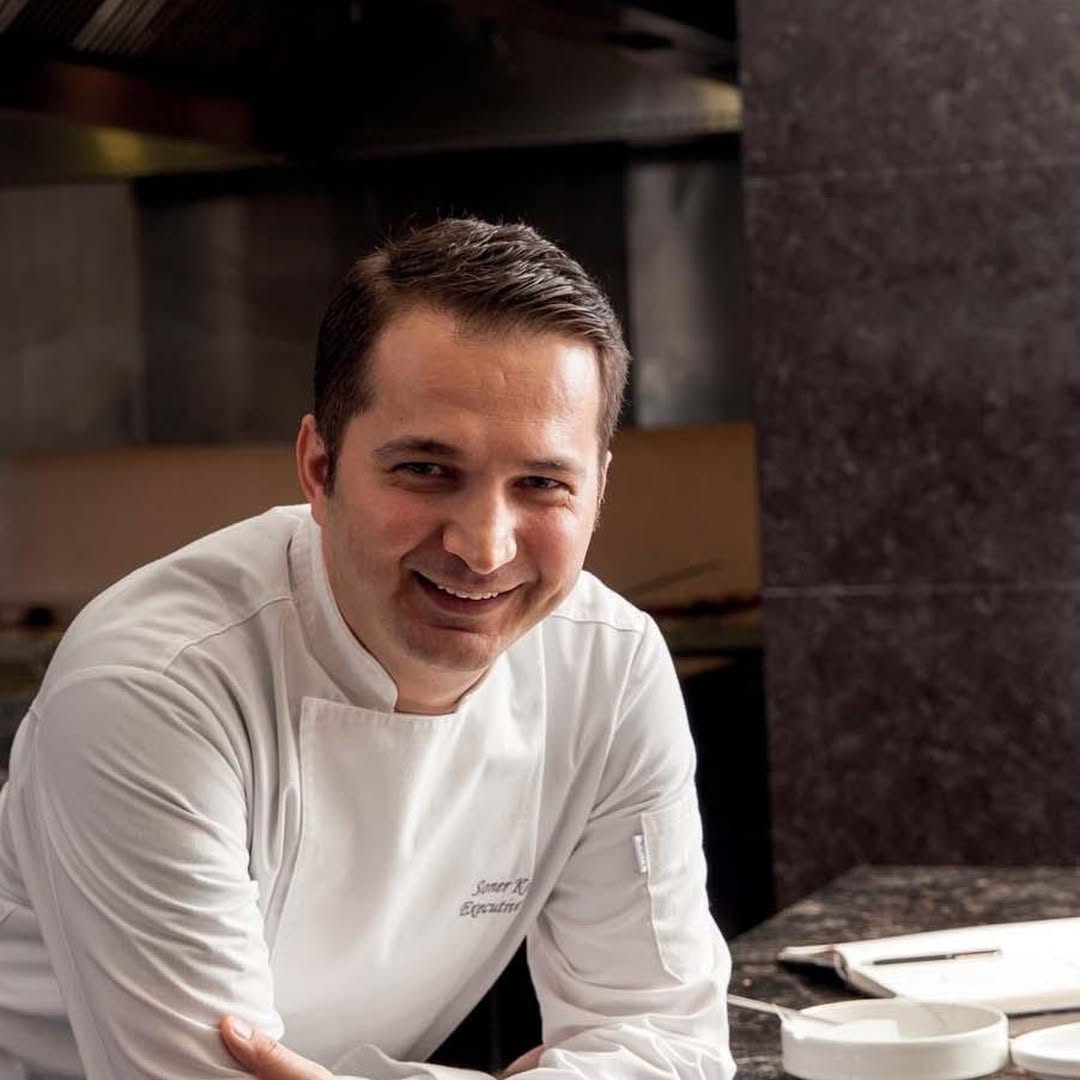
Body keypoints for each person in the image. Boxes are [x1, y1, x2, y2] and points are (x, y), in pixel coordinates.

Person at [0, 218, 735, 1080]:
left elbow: (672, 1043)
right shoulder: (154, 688)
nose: (484, 548)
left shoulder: (608, 667)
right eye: (426, 470)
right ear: (320, 467)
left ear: (598, 489)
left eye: (542, 483)